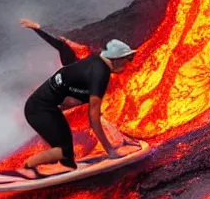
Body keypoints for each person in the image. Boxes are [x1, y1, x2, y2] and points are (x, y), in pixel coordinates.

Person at [12, 19, 138, 180]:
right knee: (66, 158)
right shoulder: (99, 75)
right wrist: (111, 152)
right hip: (40, 110)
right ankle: (30, 167)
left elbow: (62, 45)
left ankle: (38, 166)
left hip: (41, 108)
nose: (128, 63)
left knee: (65, 152)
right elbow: (93, 118)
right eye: (127, 59)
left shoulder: (87, 63)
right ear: (116, 60)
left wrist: (38, 29)